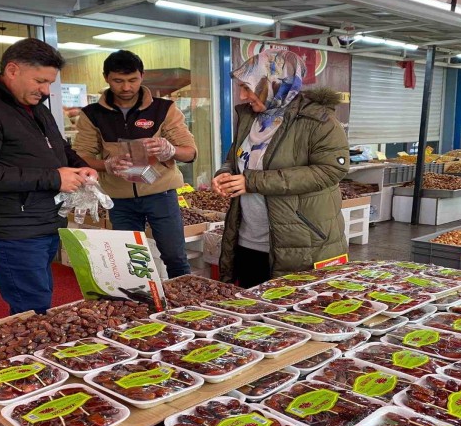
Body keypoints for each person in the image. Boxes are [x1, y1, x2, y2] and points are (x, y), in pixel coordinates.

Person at [0, 38, 97, 315]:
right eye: (40, 81)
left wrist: (79, 165)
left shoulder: (35, 108)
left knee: (40, 296)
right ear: (13, 70)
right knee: (31, 306)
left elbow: (59, 147)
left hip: (43, 219)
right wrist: (54, 178)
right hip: (12, 226)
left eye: (50, 83)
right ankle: (27, 356)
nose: (46, 90)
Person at [212, 50, 350, 288]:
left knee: (295, 315)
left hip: (302, 240)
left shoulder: (318, 121)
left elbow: (330, 170)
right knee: (252, 312)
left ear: (275, 83)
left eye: (249, 87)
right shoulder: (250, 118)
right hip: (249, 239)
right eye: (241, 87)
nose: (242, 95)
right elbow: (236, 157)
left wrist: (252, 182)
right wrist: (224, 173)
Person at [74, 50, 197, 278]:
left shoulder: (164, 109)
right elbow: (81, 157)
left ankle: (181, 305)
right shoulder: (92, 115)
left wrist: (170, 150)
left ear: (142, 76)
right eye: (118, 81)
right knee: (131, 259)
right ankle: (141, 303)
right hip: (119, 200)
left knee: (175, 256)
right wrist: (107, 165)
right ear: (106, 78)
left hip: (161, 194)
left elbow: (190, 152)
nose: (126, 88)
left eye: (132, 80)